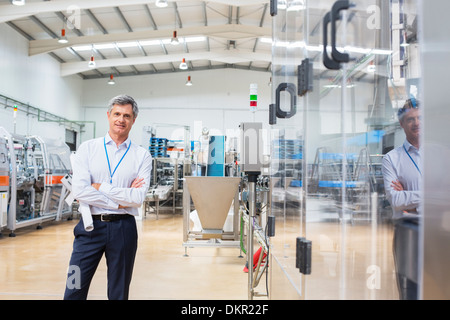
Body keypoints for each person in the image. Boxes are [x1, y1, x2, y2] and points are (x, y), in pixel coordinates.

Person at [64, 95, 152, 300]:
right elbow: (80, 191)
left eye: (127, 115)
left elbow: (137, 197)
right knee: (73, 287)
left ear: (133, 120)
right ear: (108, 115)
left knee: (118, 293)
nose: (121, 119)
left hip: (124, 229)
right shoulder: (88, 148)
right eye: (117, 114)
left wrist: (100, 187)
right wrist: (119, 201)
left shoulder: (141, 155)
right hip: (89, 229)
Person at [382, 97, 421, 300]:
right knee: (410, 293)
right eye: (410, 119)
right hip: (408, 233)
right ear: (402, 124)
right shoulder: (391, 159)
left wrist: (412, 200)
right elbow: (396, 201)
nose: (416, 123)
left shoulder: (441, 154)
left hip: (440, 231)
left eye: (420, 118)